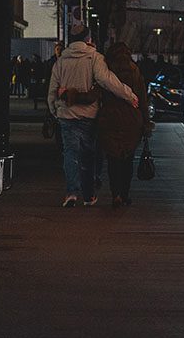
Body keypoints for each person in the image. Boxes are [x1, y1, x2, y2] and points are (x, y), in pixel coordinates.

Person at [47, 26, 138, 207]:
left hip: (66, 114)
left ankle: (71, 192)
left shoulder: (61, 61)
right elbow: (107, 80)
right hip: (88, 114)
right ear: (87, 38)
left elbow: (52, 89)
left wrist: (54, 109)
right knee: (88, 155)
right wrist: (129, 95)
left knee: (70, 153)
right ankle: (88, 195)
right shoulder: (94, 58)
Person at [100, 43, 151, 207]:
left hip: (111, 118)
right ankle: (125, 193)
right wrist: (146, 121)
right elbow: (142, 98)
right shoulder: (134, 70)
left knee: (113, 158)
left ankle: (115, 194)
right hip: (131, 119)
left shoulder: (106, 70)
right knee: (127, 158)